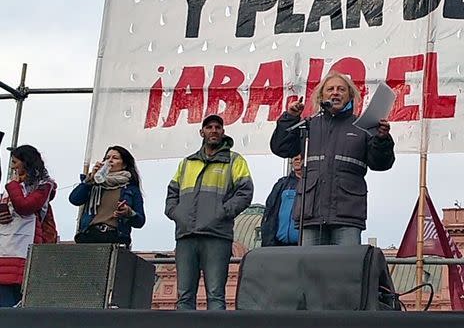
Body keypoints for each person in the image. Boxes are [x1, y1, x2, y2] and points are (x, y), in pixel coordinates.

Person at [270, 71, 395, 246]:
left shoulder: (363, 127)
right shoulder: (308, 125)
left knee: (345, 271)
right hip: (310, 215)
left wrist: (382, 140)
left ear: (350, 95)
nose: (335, 92)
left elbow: (381, 164)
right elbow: (281, 148)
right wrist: (289, 118)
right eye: (330, 89)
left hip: (347, 215)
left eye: (341, 89)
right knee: (311, 270)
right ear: (322, 95)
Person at [165, 114, 254, 310]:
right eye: (209, 127)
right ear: (202, 132)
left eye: (217, 127)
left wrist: (222, 213)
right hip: (186, 235)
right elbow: (172, 192)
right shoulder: (187, 163)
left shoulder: (234, 161)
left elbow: (245, 192)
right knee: (184, 296)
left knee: (215, 295)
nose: (213, 130)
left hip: (217, 236)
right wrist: (176, 213)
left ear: (223, 132)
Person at [0, 145, 56, 307]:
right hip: (6, 244)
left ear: (26, 162)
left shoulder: (43, 186)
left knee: (13, 301)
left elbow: (25, 207)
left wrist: (13, 186)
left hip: (22, 246)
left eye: (15, 162)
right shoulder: (13, 187)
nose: (12, 167)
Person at [69, 146, 146, 247]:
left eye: (115, 158)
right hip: (90, 236)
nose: (110, 160)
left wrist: (128, 212)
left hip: (115, 237)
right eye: (107, 158)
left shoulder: (131, 189)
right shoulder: (94, 184)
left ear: (124, 165)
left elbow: (140, 221)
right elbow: (74, 199)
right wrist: (89, 180)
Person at [261, 155, 302, 247]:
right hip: (280, 245)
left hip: (303, 247)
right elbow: (270, 213)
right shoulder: (282, 184)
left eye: (301, 157)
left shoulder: (313, 184)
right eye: (295, 157)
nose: (297, 159)